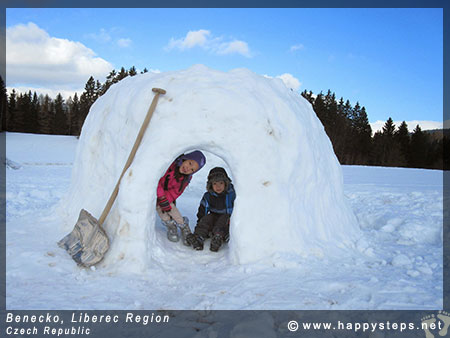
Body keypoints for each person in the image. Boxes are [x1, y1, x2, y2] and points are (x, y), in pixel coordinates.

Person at [156, 150, 206, 245]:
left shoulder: (185, 179)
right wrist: (161, 197)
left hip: (167, 197)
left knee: (171, 209)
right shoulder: (169, 165)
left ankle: (183, 225)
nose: (188, 169)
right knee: (161, 211)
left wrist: (166, 201)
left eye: (192, 170)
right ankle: (170, 225)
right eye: (190, 163)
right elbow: (156, 180)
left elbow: (176, 192)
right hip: (157, 194)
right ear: (185, 158)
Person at [186, 167, 236, 252]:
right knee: (207, 218)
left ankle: (218, 238)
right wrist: (200, 222)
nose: (218, 186)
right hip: (214, 218)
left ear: (226, 183)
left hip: (227, 221)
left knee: (223, 219)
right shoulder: (208, 196)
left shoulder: (231, 194)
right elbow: (202, 210)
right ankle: (198, 238)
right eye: (215, 183)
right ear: (211, 185)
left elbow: (239, 207)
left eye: (221, 183)